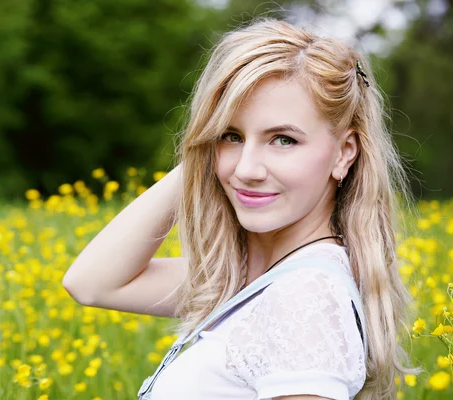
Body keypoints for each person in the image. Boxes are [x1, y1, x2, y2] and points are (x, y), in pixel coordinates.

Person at [62, 17, 423, 400]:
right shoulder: (250, 277)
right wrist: (201, 156)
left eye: (283, 140)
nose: (247, 170)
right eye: (230, 136)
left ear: (344, 153)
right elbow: (92, 284)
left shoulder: (304, 298)